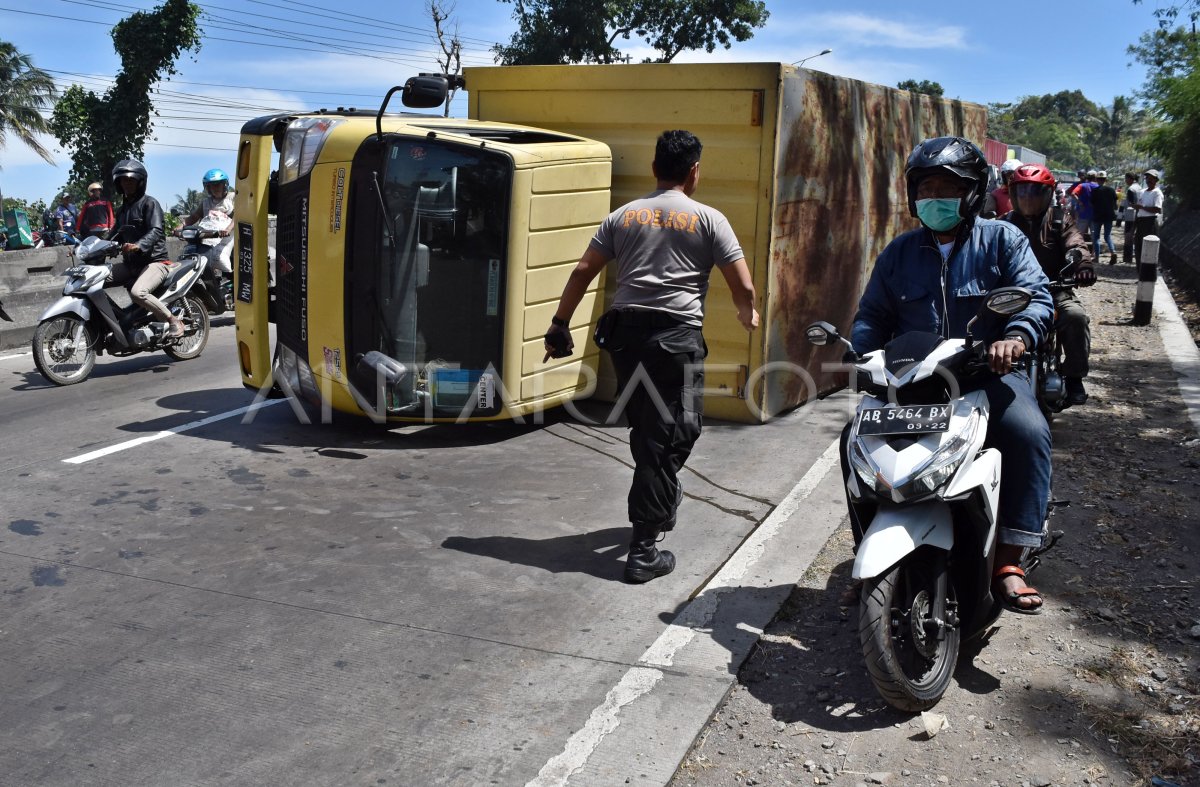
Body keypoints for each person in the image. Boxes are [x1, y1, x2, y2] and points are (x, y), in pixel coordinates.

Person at [542, 130, 759, 584]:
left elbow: (584, 270)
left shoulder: (622, 216)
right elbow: (742, 283)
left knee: (658, 430)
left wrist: (560, 324)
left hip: (626, 337)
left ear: (655, 168)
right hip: (674, 338)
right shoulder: (708, 218)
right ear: (694, 170)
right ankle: (643, 548)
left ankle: (660, 494)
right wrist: (747, 310)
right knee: (665, 435)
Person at [850, 136, 1053, 614]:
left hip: (989, 375)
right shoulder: (898, 252)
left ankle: (1009, 557)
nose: (933, 197)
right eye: (925, 187)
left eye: (946, 186)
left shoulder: (1003, 239)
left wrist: (1017, 337)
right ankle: (868, 553)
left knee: (1027, 431)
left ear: (972, 192)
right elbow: (871, 316)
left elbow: (1036, 296)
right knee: (852, 442)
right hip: (915, 384)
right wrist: (861, 355)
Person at [1003, 163, 1096, 406]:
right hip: (1015, 292)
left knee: (1075, 316)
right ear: (1012, 194)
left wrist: (1083, 267)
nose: (1027, 198)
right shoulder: (1005, 224)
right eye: (1021, 192)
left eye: (1034, 192)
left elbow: (1076, 243)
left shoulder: (1059, 220)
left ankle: (1075, 377)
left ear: (1047, 194)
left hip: (1054, 288)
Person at [108, 159, 186, 338]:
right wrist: (87, 246)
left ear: (140, 182)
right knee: (96, 279)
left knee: (138, 293)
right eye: (123, 180)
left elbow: (156, 230)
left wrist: (138, 245)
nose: (126, 184)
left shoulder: (149, 203)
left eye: (130, 180)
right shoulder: (121, 211)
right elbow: (113, 236)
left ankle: (173, 320)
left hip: (155, 262)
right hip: (131, 264)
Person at [177, 168, 235, 275]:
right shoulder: (206, 202)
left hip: (228, 236)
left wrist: (228, 229)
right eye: (211, 185)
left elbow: (239, 215)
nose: (215, 188)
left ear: (225, 185)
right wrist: (180, 227)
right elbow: (193, 217)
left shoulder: (233, 197)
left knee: (224, 257)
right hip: (207, 237)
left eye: (218, 184)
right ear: (207, 188)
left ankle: (231, 278)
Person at [1134, 169, 1164, 264]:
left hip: (1150, 222)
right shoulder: (1142, 192)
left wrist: (1142, 207)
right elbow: (1139, 209)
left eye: (1151, 178)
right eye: (1147, 178)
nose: (1149, 180)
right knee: (1138, 247)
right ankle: (1139, 271)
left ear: (1156, 180)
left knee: (1148, 248)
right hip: (1141, 221)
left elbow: (1157, 209)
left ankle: (1147, 273)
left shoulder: (1157, 193)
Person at [1089, 170, 1118, 263]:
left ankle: (1097, 258)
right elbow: (1115, 204)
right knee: (1107, 236)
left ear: (1097, 180)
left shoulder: (1094, 191)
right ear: (1105, 180)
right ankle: (1113, 252)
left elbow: (1092, 203)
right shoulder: (1111, 190)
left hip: (1097, 216)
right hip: (1109, 216)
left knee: (1096, 237)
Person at [1122, 172, 1143, 264]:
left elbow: (1132, 203)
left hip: (1131, 215)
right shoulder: (1140, 187)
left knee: (1128, 235)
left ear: (1130, 179)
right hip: (1140, 214)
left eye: (1126, 178)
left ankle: (1127, 258)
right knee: (1136, 235)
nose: (1125, 181)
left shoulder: (1131, 189)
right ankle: (1135, 256)